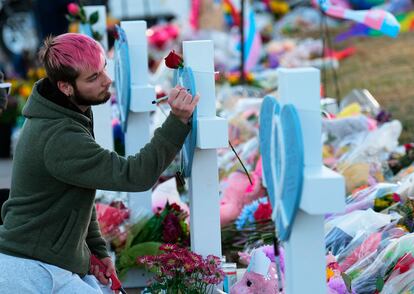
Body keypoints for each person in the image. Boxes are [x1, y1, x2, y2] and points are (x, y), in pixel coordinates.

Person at [0, 33, 199, 293]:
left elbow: (81, 193)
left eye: (103, 69)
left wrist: (97, 251)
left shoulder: (70, 109)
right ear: (65, 87)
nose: (107, 80)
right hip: (27, 271)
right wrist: (176, 121)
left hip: (48, 262)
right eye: (93, 78)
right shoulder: (60, 137)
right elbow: (134, 175)